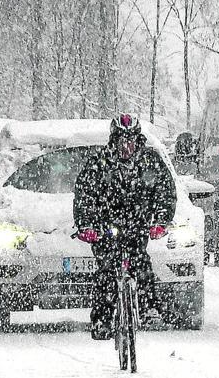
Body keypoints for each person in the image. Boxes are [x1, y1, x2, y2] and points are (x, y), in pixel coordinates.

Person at [73, 114, 177, 340]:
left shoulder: (151, 162)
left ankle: (149, 307)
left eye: (130, 140)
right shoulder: (99, 164)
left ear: (138, 140)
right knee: (107, 271)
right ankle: (102, 319)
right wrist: (87, 225)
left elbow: (165, 194)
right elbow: (84, 197)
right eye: (122, 140)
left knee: (141, 262)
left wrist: (160, 222)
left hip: (138, 224)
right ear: (114, 140)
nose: (126, 146)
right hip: (106, 226)